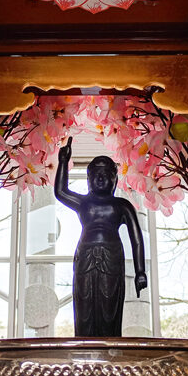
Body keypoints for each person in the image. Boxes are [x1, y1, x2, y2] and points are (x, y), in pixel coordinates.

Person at [55, 137, 147, 337]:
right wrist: (63, 162)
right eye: (95, 175)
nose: (100, 178)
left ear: (115, 179)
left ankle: (109, 347)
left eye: (106, 174)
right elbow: (61, 192)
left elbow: (137, 240)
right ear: (88, 180)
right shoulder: (83, 203)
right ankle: (84, 346)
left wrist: (140, 271)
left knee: (109, 303)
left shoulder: (122, 205)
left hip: (112, 258)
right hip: (85, 257)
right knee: (84, 304)